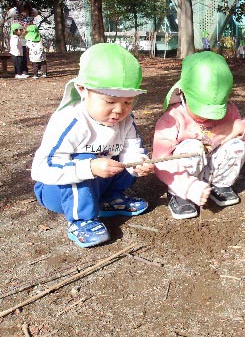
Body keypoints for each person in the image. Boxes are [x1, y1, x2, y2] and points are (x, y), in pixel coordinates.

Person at [31, 43, 155, 248]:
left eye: (128, 102)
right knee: (85, 160)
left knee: (121, 159)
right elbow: (42, 167)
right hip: (57, 191)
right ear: (82, 90)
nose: (119, 110)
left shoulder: (126, 121)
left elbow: (132, 149)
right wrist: (89, 167)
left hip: (98, 185)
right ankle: (81, 220)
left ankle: (108, 199)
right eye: (109, 101)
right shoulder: (70, 121)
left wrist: (138, 164)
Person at [153, 51, 245, 219]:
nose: (207, 117)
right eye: (200, 108)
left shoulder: (229, 111)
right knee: (191, 146)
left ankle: (220, 184)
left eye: (215, 111)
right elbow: (161, 161)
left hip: (212, 168)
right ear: (183, 93)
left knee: (236, 146)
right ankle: (178, 195)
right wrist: (189, 187)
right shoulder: (173, 119)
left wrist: (239, 127)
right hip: (183, 178)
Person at [6, 1, 39, 75]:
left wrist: (30, 9)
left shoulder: (32, 12)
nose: (24, 12)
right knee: (17, 53)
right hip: (16, 35)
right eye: (22, 10)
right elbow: (9, 13)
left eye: (25, 10)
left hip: (26, 35)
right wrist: (17, 7)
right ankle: (18, 71)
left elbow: (36, 12)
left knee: (24, 53)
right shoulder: (15, 12)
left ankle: (25, 70)